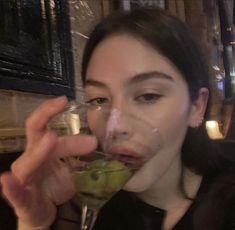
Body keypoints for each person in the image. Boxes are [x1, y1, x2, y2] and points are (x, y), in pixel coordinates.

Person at [1, 7, 235, 230]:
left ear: (196, 107)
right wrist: (35, 224)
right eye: (99, 100)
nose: (117, 126)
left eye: (148, 95)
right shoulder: (80, 203)